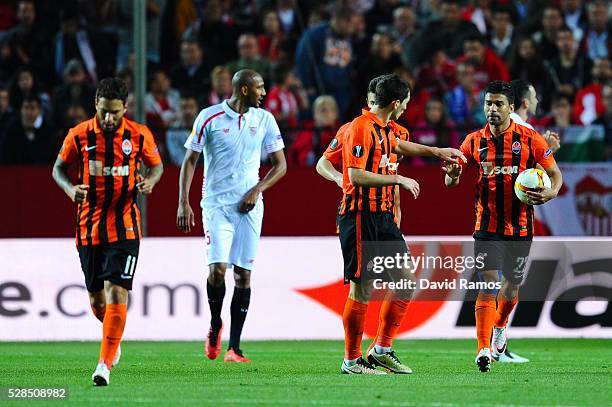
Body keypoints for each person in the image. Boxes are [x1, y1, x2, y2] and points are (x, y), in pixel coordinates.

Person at [331, 74, 465, 374]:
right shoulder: (360, 128)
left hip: (384, 217)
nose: (407, 107)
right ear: (395, 103)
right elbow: (355, 176)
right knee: (362, 288)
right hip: (360, 216)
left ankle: (382, 348)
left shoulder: (388, 130)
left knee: (405, 281)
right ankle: (351, 361)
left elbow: (402, 147)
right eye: (405, 102)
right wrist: (399, 179)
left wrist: (437, 151)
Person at [443, 80, 563, 372]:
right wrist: (454, 175)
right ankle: (483, 349)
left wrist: (550, 192)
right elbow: (450, 181)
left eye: (498, 104)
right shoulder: (472, 141)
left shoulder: (531, 139)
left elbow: (555, 174)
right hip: (486, 226)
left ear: (512, 107)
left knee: (510, 289)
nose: (492, 109)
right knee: (487, 284)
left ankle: (499, 329)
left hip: (521, 227)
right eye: (488, 103)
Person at [51, 77, 164, 385]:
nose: (109, 118)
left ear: (125, 108)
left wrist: (151, 181)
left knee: (117, 291)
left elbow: (157, 166)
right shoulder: (79, 135)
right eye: (104, 111)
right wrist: (69, 188)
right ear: (96, 106)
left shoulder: (139, 136)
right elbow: (58, 169)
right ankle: (113, 337)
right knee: (98, 300)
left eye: (115, 112)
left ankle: (103, 365)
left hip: (126, 225)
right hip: (88, 227)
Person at [176, 69, 286, 363]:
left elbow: (280, 165)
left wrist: (257, 189)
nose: (265, 93)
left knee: (243, 274)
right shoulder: (209, 117)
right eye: (261, 87)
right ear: (246, 89)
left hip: (249, 208)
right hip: (216, 206)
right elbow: (190, 160)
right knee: (218, 270)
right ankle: (215, 325)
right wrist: (183, 202)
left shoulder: (264, 120)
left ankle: (234, 348)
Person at [511, 79, 561, 152]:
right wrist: (550, 149)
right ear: (526, 103)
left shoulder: (500, 123)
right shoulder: (525, 129)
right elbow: (532, 163)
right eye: (534, 97)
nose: (537, 101)